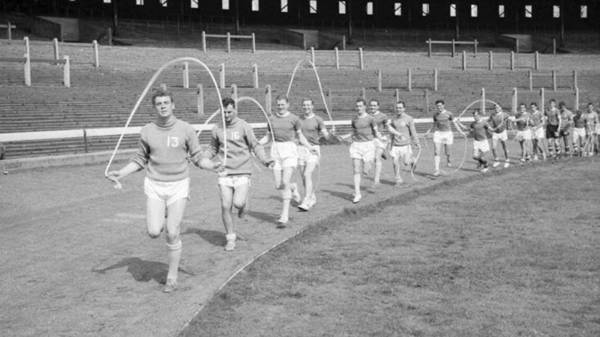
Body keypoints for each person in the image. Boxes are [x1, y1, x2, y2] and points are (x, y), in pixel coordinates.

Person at [106, 88, 206, 293]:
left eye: (166, 103)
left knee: (171, 232)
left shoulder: (186, 129)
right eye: (159, 103)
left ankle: (172, 276)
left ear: (173, 105)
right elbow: (140, 159)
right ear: (155, 107)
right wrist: (121, 173)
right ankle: (166, 212)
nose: (163, 106)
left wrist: (212, 166)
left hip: (178, 184)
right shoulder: (147, 131)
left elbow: (198, 157)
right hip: (155, 184)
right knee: (153, 231)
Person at [202, 97, 272, 251]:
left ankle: (244, 203)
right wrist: (202, 158)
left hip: (242, 171)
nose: (226, 115)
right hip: (225, 172)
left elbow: (255, 145)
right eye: (224, 112)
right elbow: (212, 149)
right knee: (225, 205)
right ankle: (230, 237)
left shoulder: (243, 126)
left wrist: (264, 159)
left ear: (235, 110)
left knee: (238, 203)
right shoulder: (217, 128)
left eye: (229, 112)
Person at [260, 95, 314, 226]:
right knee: (278, 185)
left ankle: (284, 215)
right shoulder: (271, 119)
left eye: (282, 104)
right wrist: (256, 144)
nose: (280, 106)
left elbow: (300, 137)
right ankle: (293, 187)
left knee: (284, 182)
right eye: (278, 104)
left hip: (289, 151)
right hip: (275, 151)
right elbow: (267, 137)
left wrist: (309, 147)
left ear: (287, 104)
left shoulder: (294, 119)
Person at [337, 98, 382, 203]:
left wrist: (382, 138)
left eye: (361, 106)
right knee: (356, 169)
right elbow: (353, 132)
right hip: (356, 145)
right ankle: (357, 193)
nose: (359, 108)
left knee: (366, 171)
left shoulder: (371, 119)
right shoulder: (354, 119)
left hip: (368, 146)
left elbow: (376, 132)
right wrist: (344, 136)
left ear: (365, 107)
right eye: (357, 106)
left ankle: (367, 169)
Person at [297, 98, 332, 211]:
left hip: (314, 149)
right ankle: (312, 196)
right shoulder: (298, 119)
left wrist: (329, 135)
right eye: (304, 105)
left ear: (312, 106)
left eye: (308, 105)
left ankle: (306, 200)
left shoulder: (318, 119)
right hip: (301, 149)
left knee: (307, 174)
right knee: (303, 177)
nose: (306, 107)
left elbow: (325, 134)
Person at [386, 100, 419, 185]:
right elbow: (391, 133)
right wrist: (390, 143)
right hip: (396, 145)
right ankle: (398, 179)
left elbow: (413, 131)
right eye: (397, 108)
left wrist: (416, 141)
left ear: (404, 108)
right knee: (395, 162)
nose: (398, 109)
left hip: (406, 145)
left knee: (406, 162)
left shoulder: (409, 118)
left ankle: (412, 161)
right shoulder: (393, 119)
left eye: (400, 108)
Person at [431, 100, 457, 176]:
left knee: (447, 152)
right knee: (436, 151)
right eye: (437, 106)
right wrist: (428, 131)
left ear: (443, 105)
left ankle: (448, 159)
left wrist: (461, 131)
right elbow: (434, 124)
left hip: (448, 134)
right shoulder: (435, 115)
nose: (439, 107)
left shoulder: (449, 114)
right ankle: (436, 169)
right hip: (438, 133)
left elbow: (455, 122)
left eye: (440, 105)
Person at [368, 99, 389, 187]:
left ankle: (376, 181)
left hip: (381, 139)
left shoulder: (383, 116)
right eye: (371, 105)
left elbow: (388, 126)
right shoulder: (367, 116)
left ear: (378, 106)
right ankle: (383, 152)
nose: (372, 107)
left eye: (374, 105)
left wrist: (386, 136)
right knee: (370, 159)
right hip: (371, 140)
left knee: (377, 158)